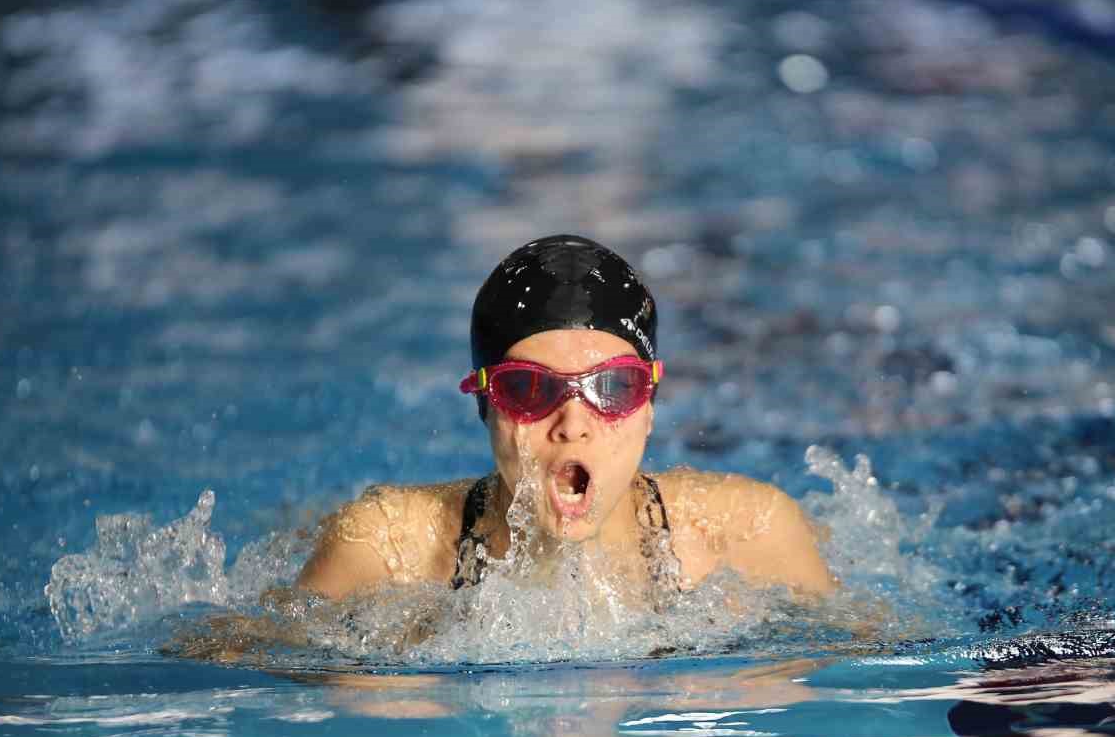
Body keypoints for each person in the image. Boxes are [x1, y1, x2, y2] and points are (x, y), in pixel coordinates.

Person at [296, 234, 836, 606]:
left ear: (649, 405)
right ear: (484, 403)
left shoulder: (752, 533)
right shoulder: (385, 548)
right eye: (528, 388)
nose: (573, 422)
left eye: (613, 386)